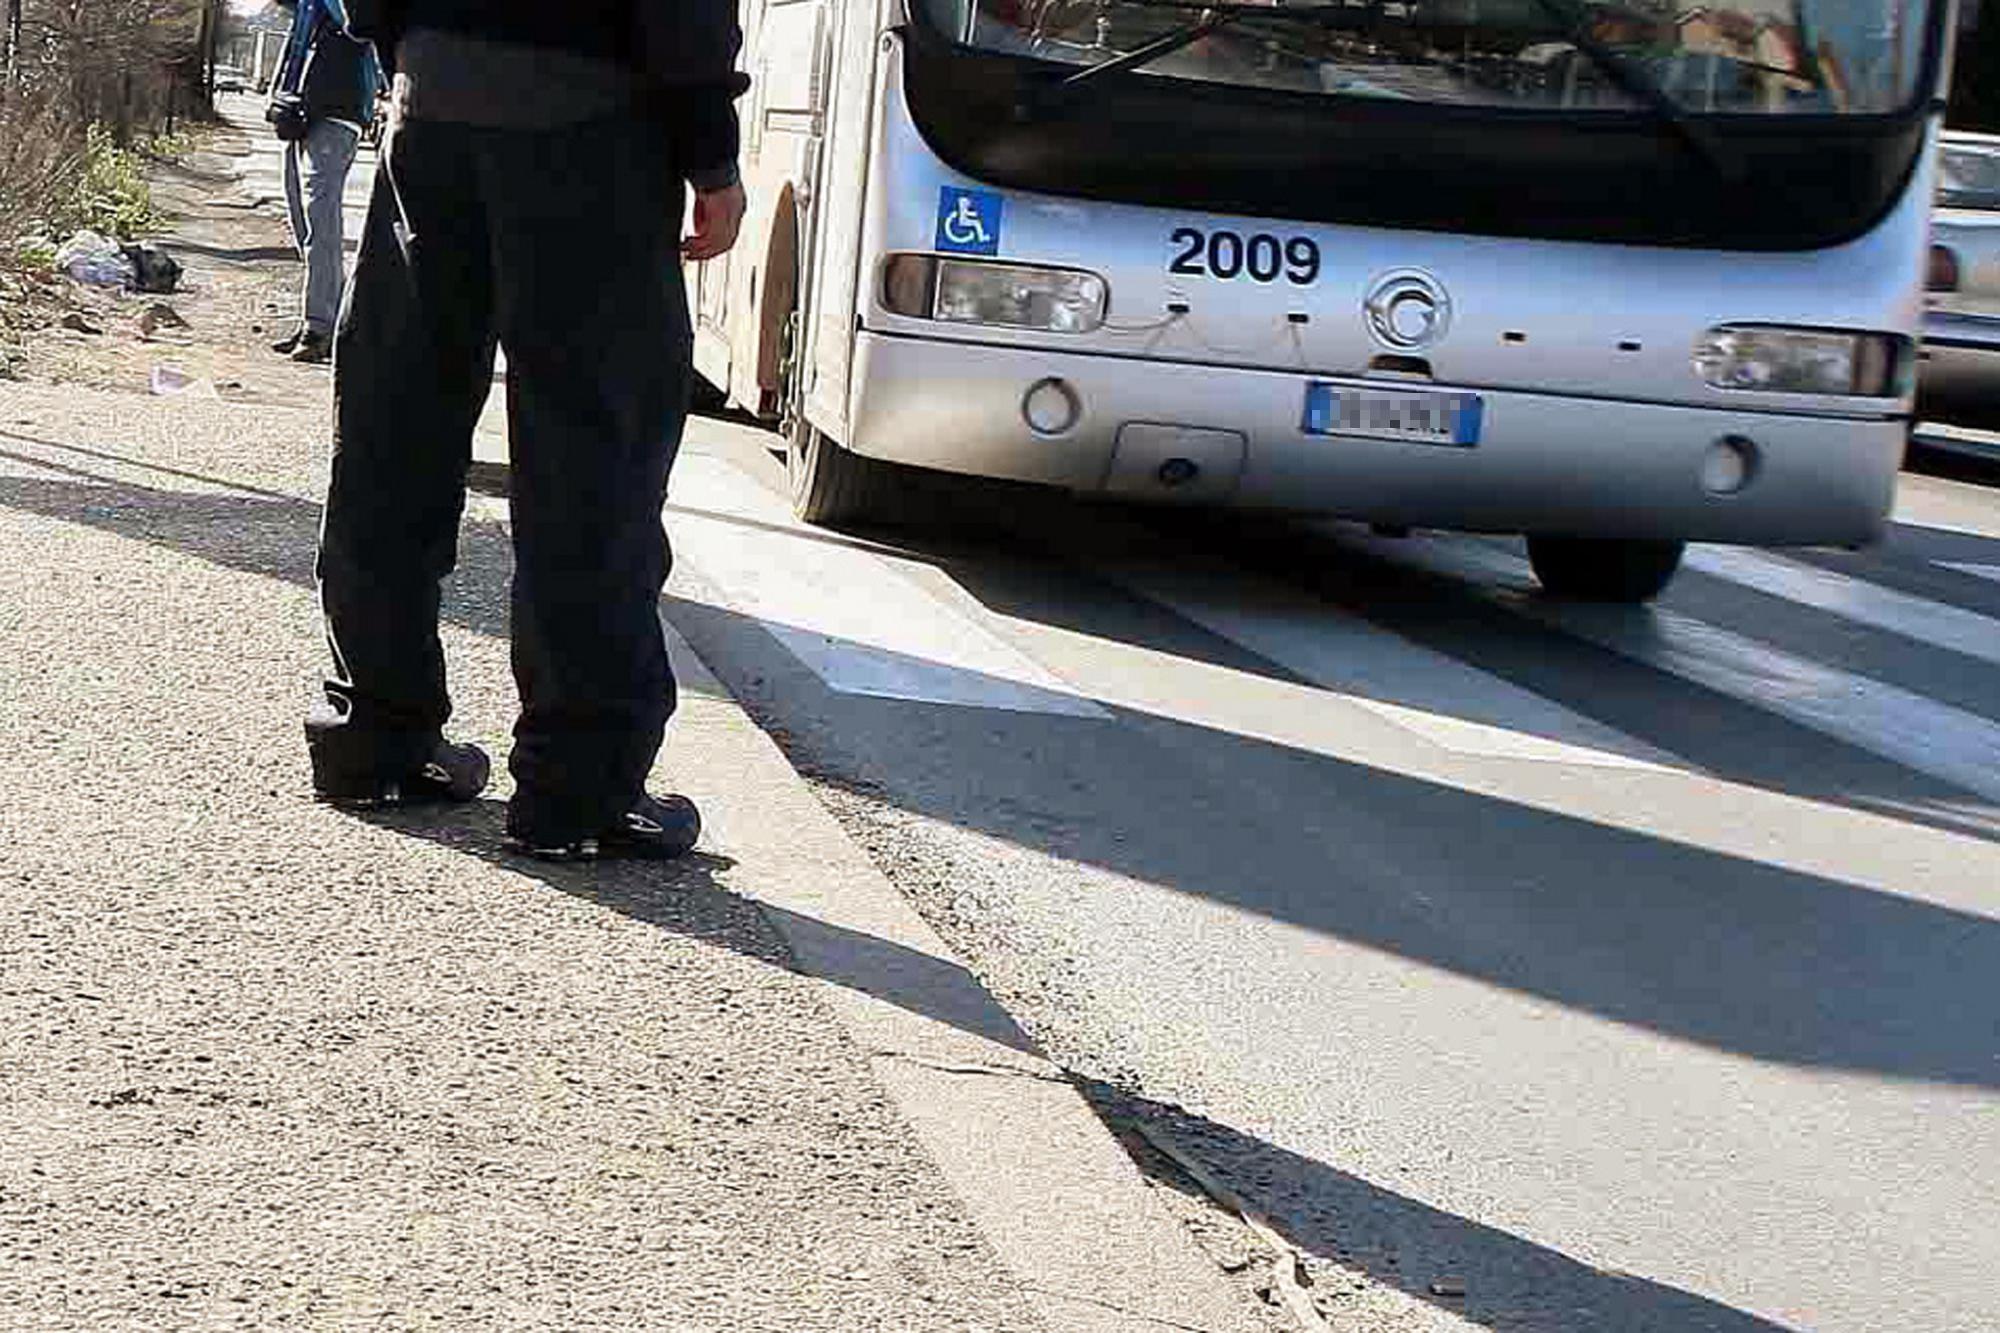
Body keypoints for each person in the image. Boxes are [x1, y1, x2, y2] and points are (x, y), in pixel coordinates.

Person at [303, 0, 750, 863]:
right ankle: (581, 789)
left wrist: (415, 49)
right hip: (590, 123)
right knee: (592, 454)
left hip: (430, 108)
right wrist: (711, 152)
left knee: (394, 427)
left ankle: (376, 739)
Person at [268, 0, 383, 364]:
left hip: (338, 110)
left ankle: (321, 327)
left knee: (321, 219)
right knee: (302, 219)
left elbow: (354, 22)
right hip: (299, 108)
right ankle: (326, 318)